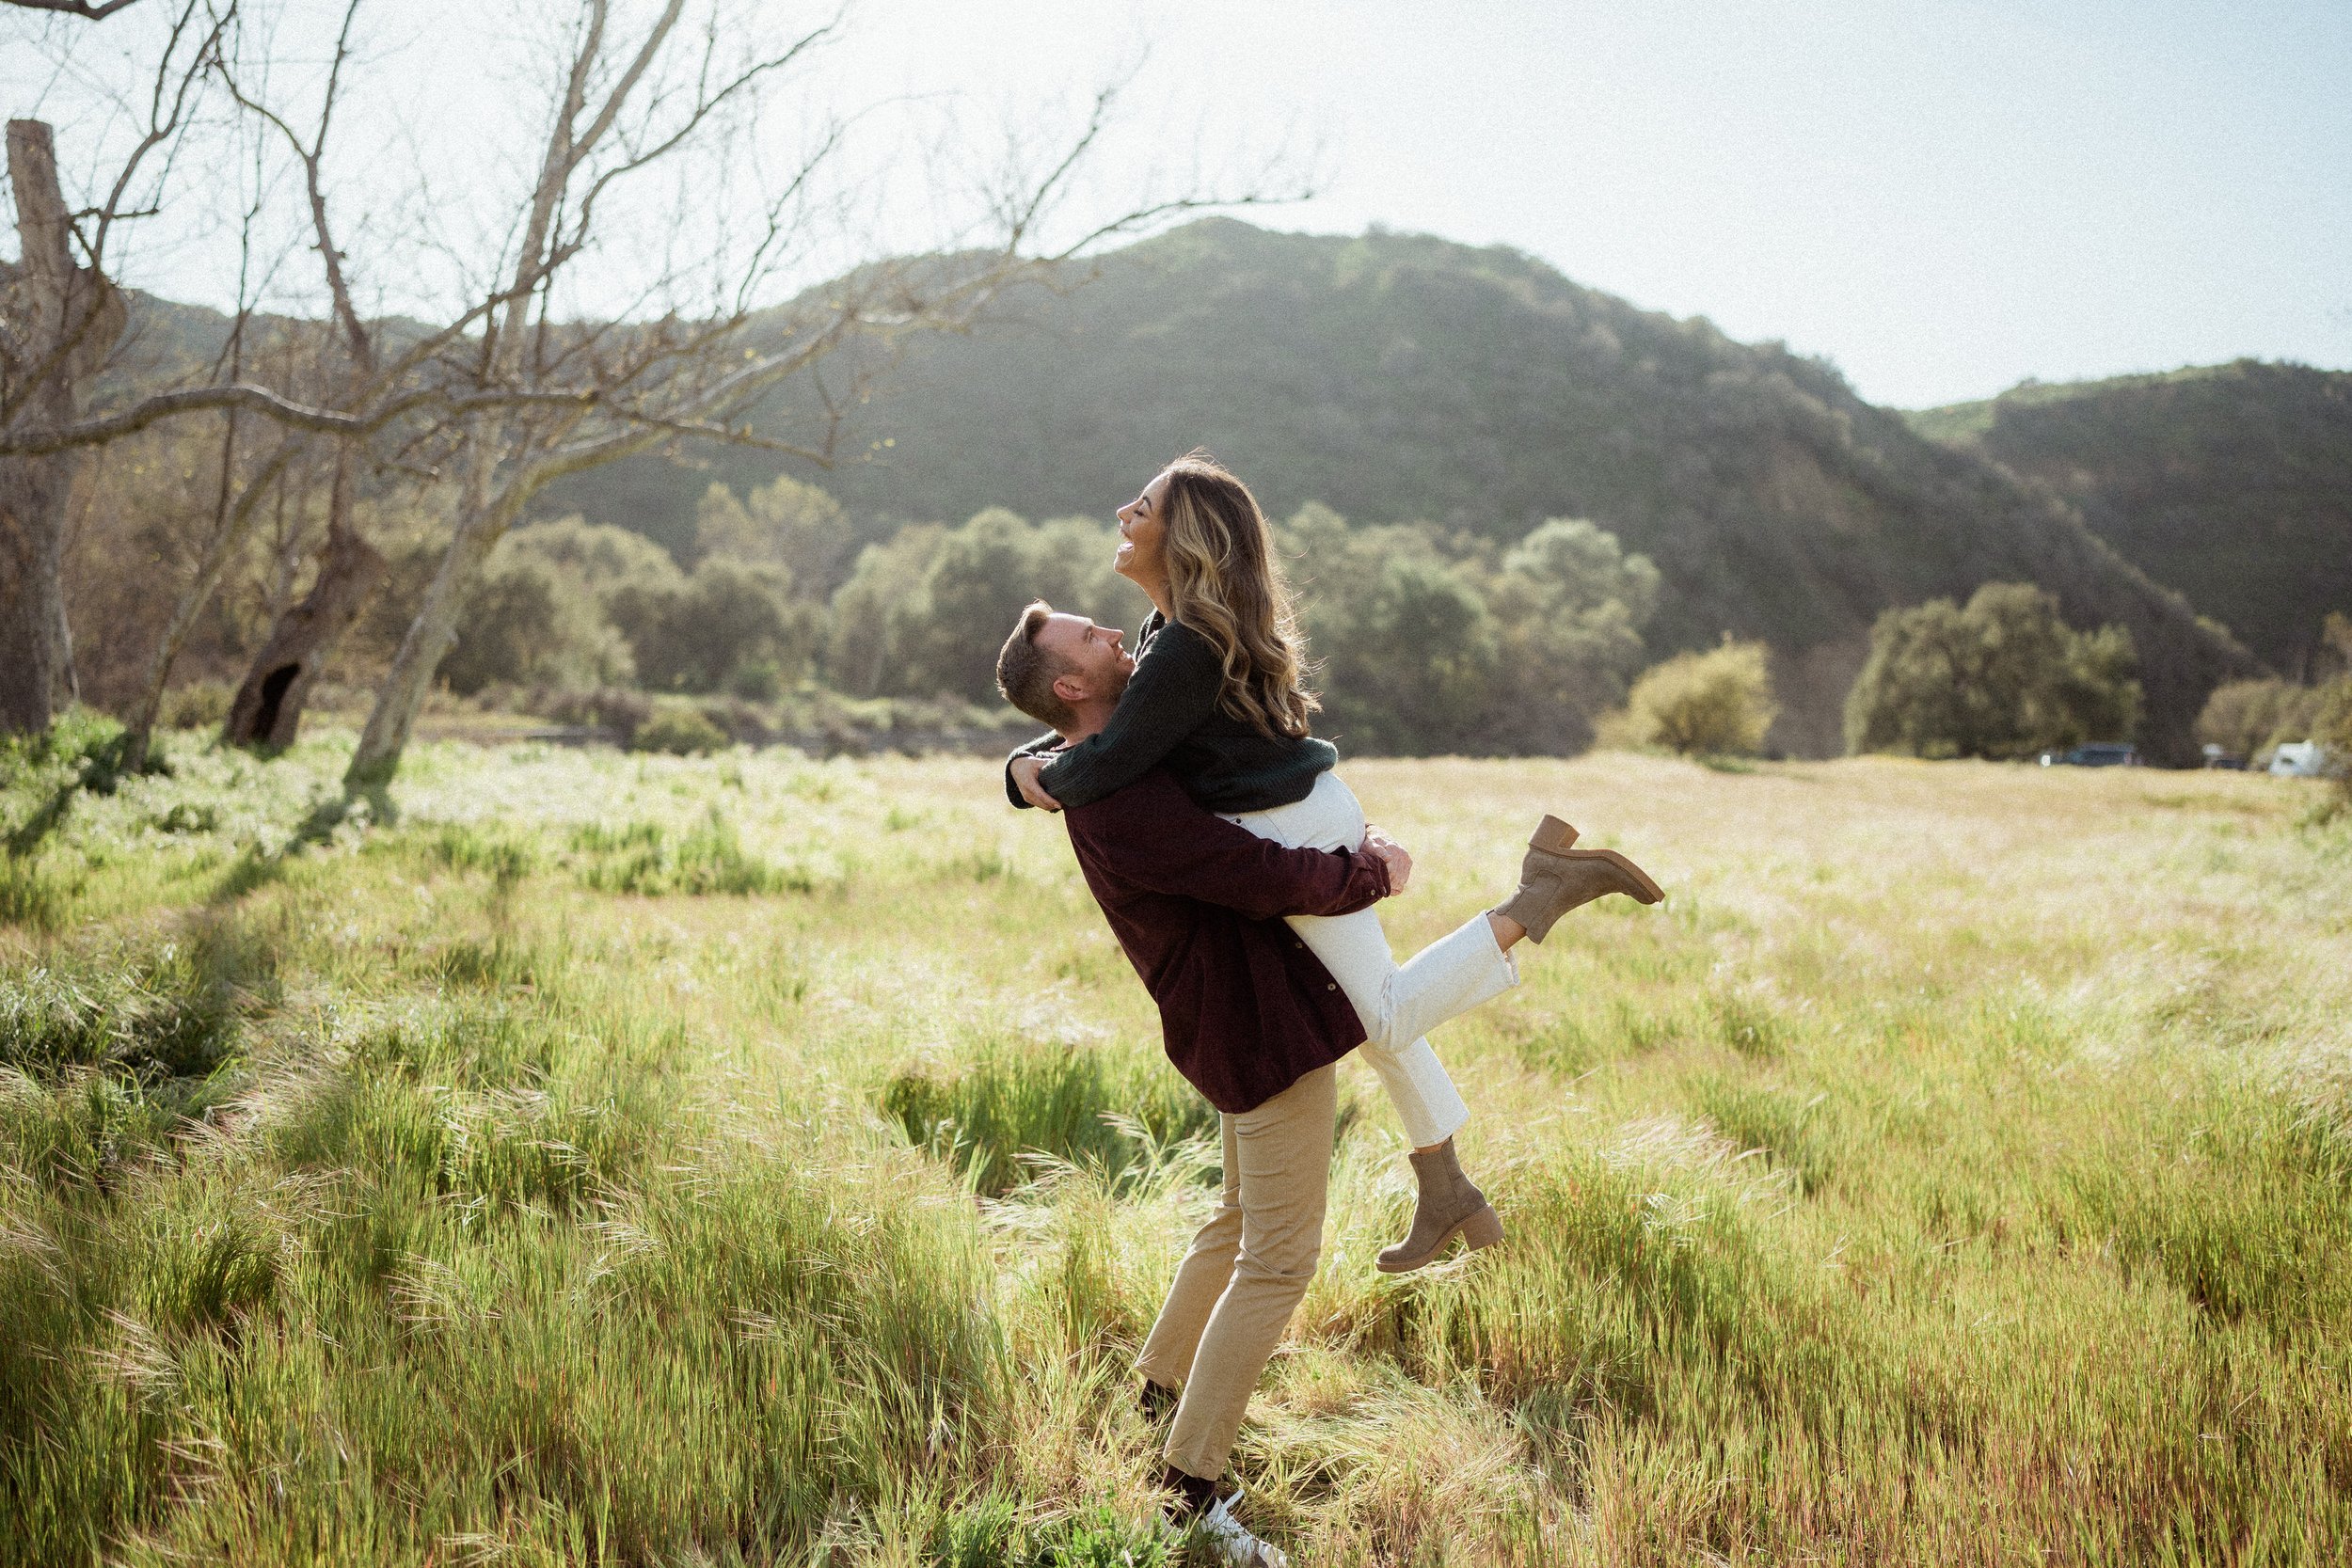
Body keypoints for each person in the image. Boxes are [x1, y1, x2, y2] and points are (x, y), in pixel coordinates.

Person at [1003, 451, 1661, 1271]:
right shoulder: (1167, 634)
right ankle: (1446, 1185)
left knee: (1379, 1013)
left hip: (1290, 831)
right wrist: (1025, 759)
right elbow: (1111, 732)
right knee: (1371, 1012)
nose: (1122, 515)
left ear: (1184, 538)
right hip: (1304, 814)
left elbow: (1103, 762)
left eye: (1142, 508)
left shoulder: (1180, 651)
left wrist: (1023, 774)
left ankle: (1540, 895)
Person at [993, 615, 1406, 1567]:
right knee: (1278, 1258)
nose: (1111, 632)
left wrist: (1017, 769)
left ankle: (1154, 1396)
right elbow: (1252, 874)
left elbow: (1063, 758)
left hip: (1228, 1016)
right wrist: (1366, 871)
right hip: (1257, 1024)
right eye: (1090, 637)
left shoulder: (1090, 762)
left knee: (1232, 1222)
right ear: (1070, 687)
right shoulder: (1120, 795)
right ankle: (1186, 1487)